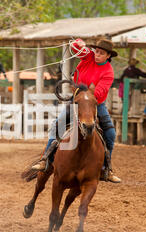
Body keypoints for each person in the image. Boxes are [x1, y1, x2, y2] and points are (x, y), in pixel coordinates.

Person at [31, 38, 121, 183]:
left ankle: (106, 169)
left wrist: (85, 94)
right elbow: (76, 48)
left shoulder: (108, 72)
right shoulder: (88, 56)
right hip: (77, 101)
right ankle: (45, 159)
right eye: (96, 51)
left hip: (95, 104)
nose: (97, 54)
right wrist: (79, 43)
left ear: (108, 56)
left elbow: (99, 92)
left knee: (110, 134)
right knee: (58, 124)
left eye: (101, 53)